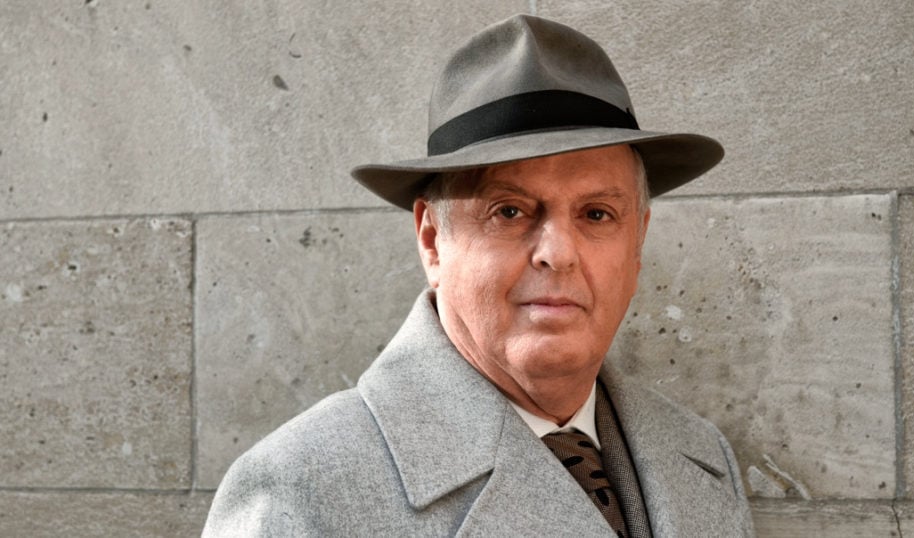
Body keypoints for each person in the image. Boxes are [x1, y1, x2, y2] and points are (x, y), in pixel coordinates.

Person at [203, 14, 754, 537]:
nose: (558, 254)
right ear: (432, 241)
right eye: (509, 211)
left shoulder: (701, 454)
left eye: (596, 214)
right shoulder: (300, 490)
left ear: (637, 243)